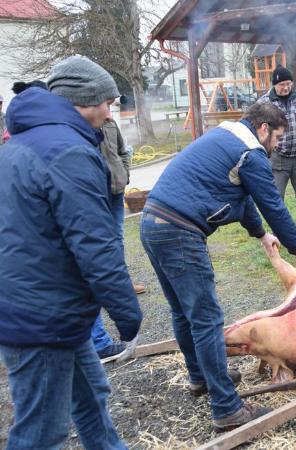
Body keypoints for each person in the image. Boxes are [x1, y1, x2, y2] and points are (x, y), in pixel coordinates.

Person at [140, 102, 296, 430]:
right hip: (180, 231)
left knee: (183, 312)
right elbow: (272, 204)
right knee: (206, 320)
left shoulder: (227, 135)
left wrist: (261, 234)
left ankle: (201, 377)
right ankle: (226, 407)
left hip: (153, 223)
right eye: (277, 137)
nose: (278, 145)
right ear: (264, 129)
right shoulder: (251, 152)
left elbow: (244, 197)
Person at [0, 56, 142, 449]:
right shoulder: (66, 152)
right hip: (40, 315)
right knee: (41, 431)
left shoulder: (27, 140)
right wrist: (127, 313)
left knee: (91, 397)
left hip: (52, 307)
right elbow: (96, 246)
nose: (110, 112)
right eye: (108, 103)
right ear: (86, 101)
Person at [92, 116, 149, 359]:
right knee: (94, 257)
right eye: (105, 100)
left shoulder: (109, 123)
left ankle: (121, 285)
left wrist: (123, 173)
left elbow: (123, 150)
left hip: (115, 192)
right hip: (93, 195)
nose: (108, 107)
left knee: (116, 245)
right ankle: (97, 341)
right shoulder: (74, 128)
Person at [257, 65, 296, 240]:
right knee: (276, 197)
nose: (286, 87)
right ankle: (278, 231)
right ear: (275, 84)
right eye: (282, 84)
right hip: (278, 159)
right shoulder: (264, 103)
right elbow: (256, 128)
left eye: (289, 83)